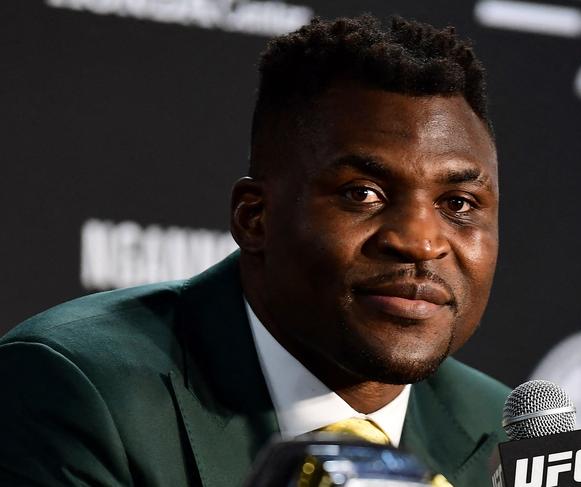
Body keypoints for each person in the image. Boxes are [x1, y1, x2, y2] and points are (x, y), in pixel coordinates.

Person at [0, 15, 508, 487]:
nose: (421, 241)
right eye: (362, 193)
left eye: (459, 203)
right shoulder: (75, 388)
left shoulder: (511, 432)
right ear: (254, 218)